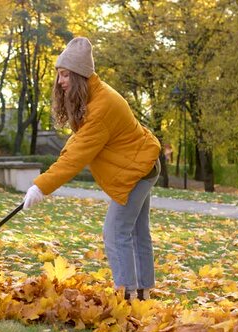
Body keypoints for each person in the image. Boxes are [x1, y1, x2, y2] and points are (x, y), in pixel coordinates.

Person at [22, 37, 161, 301]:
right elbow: (78, 142)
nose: (60, 82)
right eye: (59, 75)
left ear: (79, 75)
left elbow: (76, 157)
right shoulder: (95, 94)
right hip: (143, 163)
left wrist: (41, 186)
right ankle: (142, 292)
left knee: (116, 231)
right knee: (137, 230)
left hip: (137, 170)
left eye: (64, 75)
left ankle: (127, 296)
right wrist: (42, 183)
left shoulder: (101, 107)